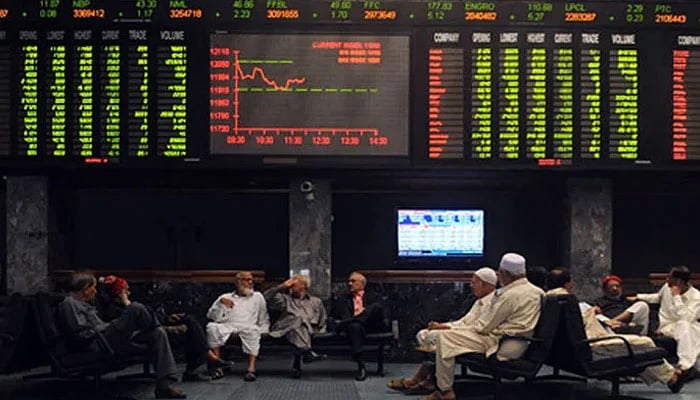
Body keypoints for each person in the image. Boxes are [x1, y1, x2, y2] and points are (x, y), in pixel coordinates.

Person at [546, 268, 691, 393]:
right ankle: (672, 377)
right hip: (594, 343)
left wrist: (590, 313)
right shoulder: (568, 300)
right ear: (567, 283)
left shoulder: (551, 299)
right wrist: (592, 314)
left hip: (574, 349)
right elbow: (581, 324)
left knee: (637, 348)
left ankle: (671, 377)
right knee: (645, 342)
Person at [422, 253, 544, 400]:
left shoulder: (508, 295)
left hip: (502, 343)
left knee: (444, 338)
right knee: (446, 338)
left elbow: (484, 327)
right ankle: (436, 382)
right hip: (522, 343)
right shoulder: (538, 292)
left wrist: (451, 329)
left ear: (504, 274)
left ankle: (445, 391)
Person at [57, 272, 185, 399]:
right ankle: (160, 325)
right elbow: (82, 335)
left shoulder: (88, 303)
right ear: (85, 288)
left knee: (157, 334)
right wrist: (109, 326)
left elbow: (105, 291)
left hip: (108, 337)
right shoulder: (69, 303)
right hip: (98, 343)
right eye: (93, 287)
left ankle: (163, 388)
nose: (95, 291)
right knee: (135, 308)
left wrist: (106, 281)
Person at [386, 267, 498, 393]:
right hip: (462, 333)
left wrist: (446, 328)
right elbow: (463, 322)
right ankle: (429, 378)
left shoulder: (495, 302)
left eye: (474, 283)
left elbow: (479, 327)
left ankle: (427, 381)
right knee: (423, 334)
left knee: (436, 338)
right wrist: (442, 325)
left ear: (487, 285)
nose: (471, 286)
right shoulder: (479, 301)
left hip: (478, 338)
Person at [98, 275, 211, 381]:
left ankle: (202, 361)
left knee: (188, 319)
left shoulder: (130, 305)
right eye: (126, 290)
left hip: (152, 325)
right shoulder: (114, 308)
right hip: (137, 335)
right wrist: (127, 303)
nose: (129, 292)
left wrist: (165, 318)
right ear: (119, 293)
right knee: (169, 331)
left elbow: (148, 317)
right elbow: (129, 328)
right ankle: (207, 359)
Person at [632, 265, 700, 380]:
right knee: (690, 331)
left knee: (688, 328)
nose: (667, 280)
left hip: (686, 327)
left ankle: (687, 367)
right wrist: (638, 297)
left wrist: (677, 297)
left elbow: (687, 318)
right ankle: (685, 367)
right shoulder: (666, 288)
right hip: (668, 327)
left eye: (669, 278)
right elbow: (657, 298)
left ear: (679, 281)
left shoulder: (696, 297)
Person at [206, 271, 269, 382]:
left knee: (253, 331)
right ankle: (218, 366)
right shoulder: (225, 297)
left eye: (251, 280)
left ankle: (251, 369)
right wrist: (220, 304)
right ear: (238, 282)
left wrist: (264, 330)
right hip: (228, 326)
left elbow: (263, 317)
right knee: (211, 327)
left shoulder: (258, 297)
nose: (250, 282)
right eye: (247, 280)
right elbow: (211, 316)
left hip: (248, 326)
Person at [264, 274, 328, 378]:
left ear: (303, 286)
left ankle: (299, 362)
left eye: (293, 284)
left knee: (300, 325)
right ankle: (307, 352)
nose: (290, 286)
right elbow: (266, 296)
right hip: (284, 329)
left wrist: (318, 329)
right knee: (298, 319)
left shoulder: (316, 301)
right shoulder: (285, 299)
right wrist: (281, 287)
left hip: (305, 330)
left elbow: (322, 318)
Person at [332, 271, 387, 381]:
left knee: (375, 306)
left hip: (371, 326)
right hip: (354, 328)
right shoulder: (343, 299)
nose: (350, 284)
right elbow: (343, 317)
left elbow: (379, 313)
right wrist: (355, 319)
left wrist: (363, 313)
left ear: (362, 284)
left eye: (353, 281)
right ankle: (361, 367)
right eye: (349, 281)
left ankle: (357, 318)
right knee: (355, 326)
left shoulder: (374, 296)